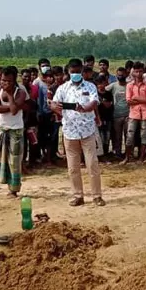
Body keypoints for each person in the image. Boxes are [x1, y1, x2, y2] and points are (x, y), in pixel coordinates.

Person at [50, 59, 105, 207]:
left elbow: (94, 102)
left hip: (87, 130)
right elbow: (54, 104)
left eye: (77, 71)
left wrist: (84, 108)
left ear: (82, 71)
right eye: (72, 71)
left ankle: (97, 196)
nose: (75, 74)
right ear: (68, 71)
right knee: (73, 167)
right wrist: (58, 109)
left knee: (92, 164)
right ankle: (77, 196)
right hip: (69, 131)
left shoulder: (90, 86)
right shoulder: (62, 88)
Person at [0, 67, 27, 198]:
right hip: (2, 128)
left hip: (16, 129)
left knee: (14, 160)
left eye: (8, 81)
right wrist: (11, 106)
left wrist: (9, 95)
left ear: (14, 81)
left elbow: (14, 110)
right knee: (3, 158)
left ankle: (13, 188)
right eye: (3, 80)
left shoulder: (21, 92)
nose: (5, 83)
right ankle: (6, 182)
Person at [124, 62, 146, 164]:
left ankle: (141, 157)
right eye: (136, 71)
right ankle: (127, 157)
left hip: (145, 114)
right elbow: (128, 100)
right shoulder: (129, 85)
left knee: (143, 136)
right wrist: (141, 99)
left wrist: (136, 98)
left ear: (143, 72)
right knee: (130, 135)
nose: (139, 73)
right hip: (134, 113)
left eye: (140, 71)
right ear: (133, 72)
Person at [106, 68, 129, 159]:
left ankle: (128, 154)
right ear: (116, 76)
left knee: (128, 136)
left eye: (122, 75)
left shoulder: (129, 86)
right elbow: (102, 91)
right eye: (119, 75)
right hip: (116, 115)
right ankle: (118, 153)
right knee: (117, 136)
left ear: (126, 75)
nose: (120, 77)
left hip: (128, 115)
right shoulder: (113, 86)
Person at [95, 75, 114, 158]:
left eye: (102, 83)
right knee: (99, 137)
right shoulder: (94, 93)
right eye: (99, 84)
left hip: (107, 118)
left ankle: (105, 154)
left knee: (107, 136)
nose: (101, 85)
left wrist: (101, 101)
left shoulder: (108, 94)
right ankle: (100, 154)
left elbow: (108, 105)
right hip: (97, 119)